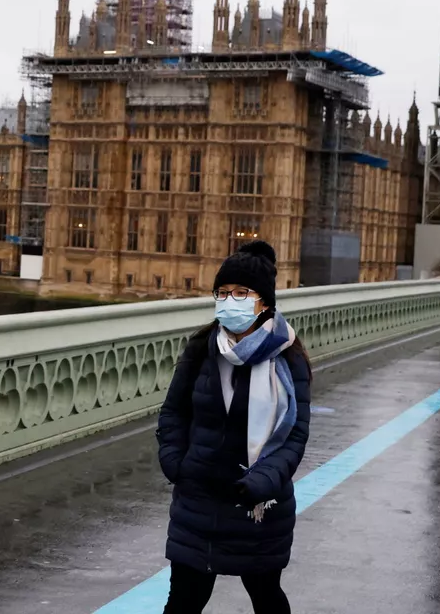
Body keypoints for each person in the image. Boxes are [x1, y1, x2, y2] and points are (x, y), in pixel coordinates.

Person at [155, 240, 311, 614]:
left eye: (242, 293)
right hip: (199, 499)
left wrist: (264, 480)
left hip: (256, 504)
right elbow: (173, 413)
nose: (230, 301)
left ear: (264, 302)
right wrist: (176, 463)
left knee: (266, 597)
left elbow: (294, 434)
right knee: (184, 600)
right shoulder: (200, 349)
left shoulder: (289, 358)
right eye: (223, 293)